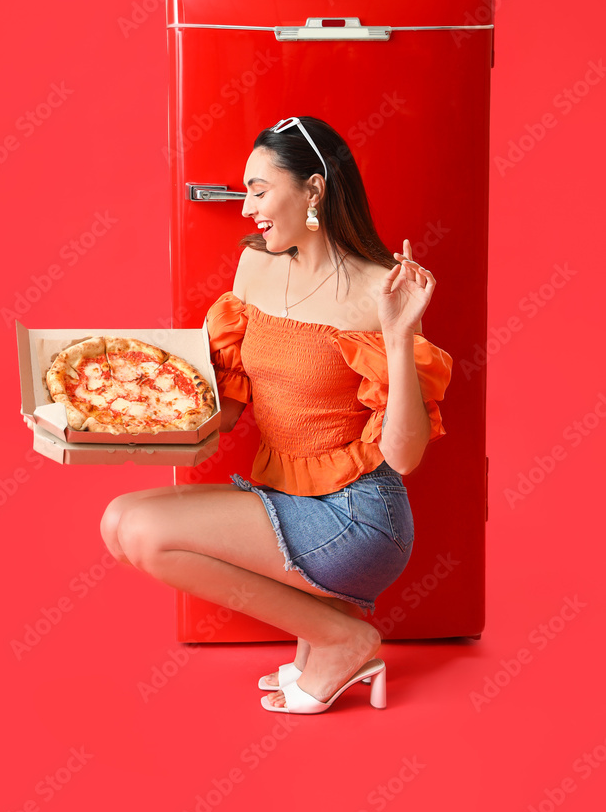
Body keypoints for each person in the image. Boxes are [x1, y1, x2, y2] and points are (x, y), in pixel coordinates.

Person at [99, 115, 453, 715]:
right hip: (289, 499)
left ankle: (341, 637)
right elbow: (227, 412)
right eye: (246, 192)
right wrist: (120, 418)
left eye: (260, 190)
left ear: (313, 189)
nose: (246, 209)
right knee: (117, 522)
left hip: (358, 517)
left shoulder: (379, 290)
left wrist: (397, 336)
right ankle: (329, 631)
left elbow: (403, 457)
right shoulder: (255, 267)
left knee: (143, 532)